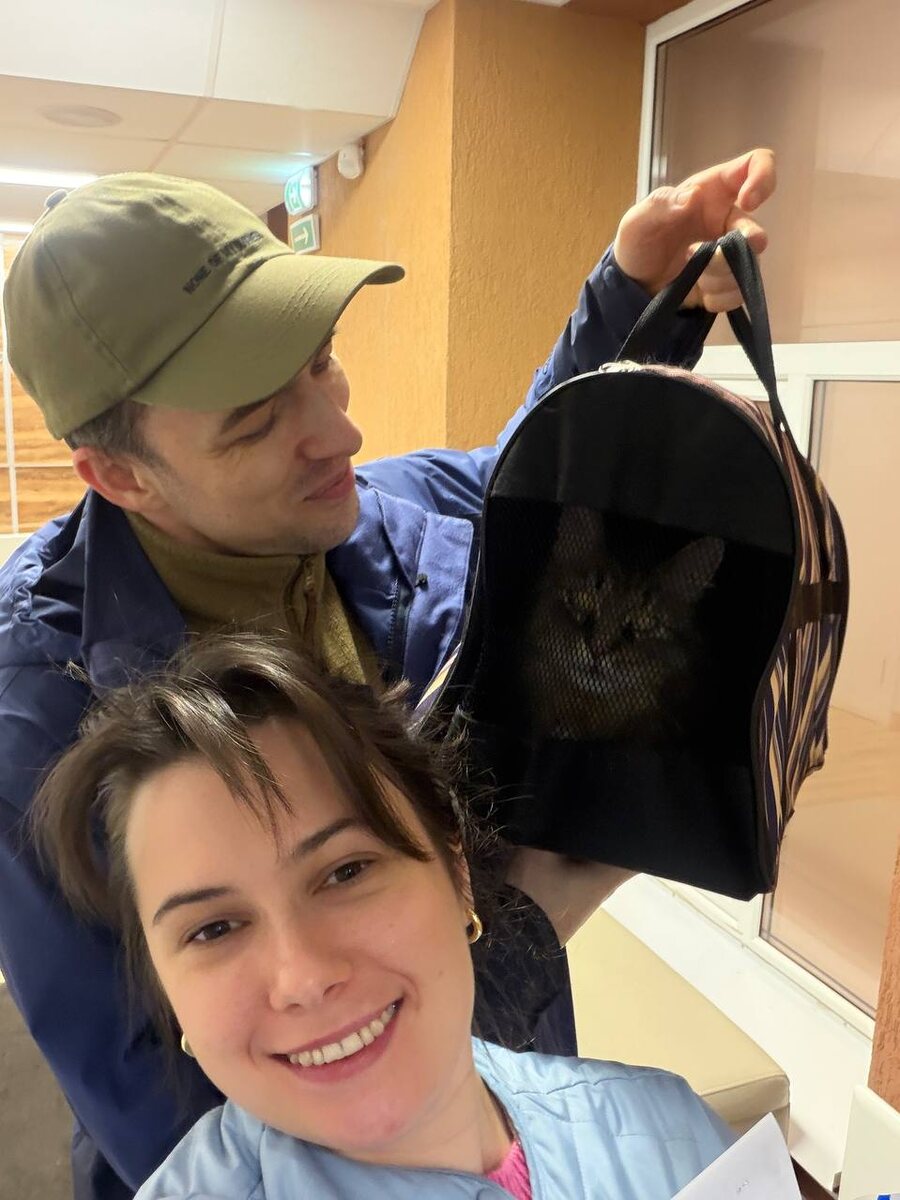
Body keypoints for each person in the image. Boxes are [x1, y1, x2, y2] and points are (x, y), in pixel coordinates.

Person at [0, 149, 774, 1199]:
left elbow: (523, 482)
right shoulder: (35, 711)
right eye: (257, 421)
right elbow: (159, 1107)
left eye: (320, 364)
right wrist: (525, 925)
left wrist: (640, 294)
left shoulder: (374, 516)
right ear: (120, 476)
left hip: (505, 1111)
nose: (341, 433)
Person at [32, 633, 735, 1200]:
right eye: (213, 929)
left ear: (456, 872)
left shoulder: (676, 1144)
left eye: (346, 872)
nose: (303, 977)